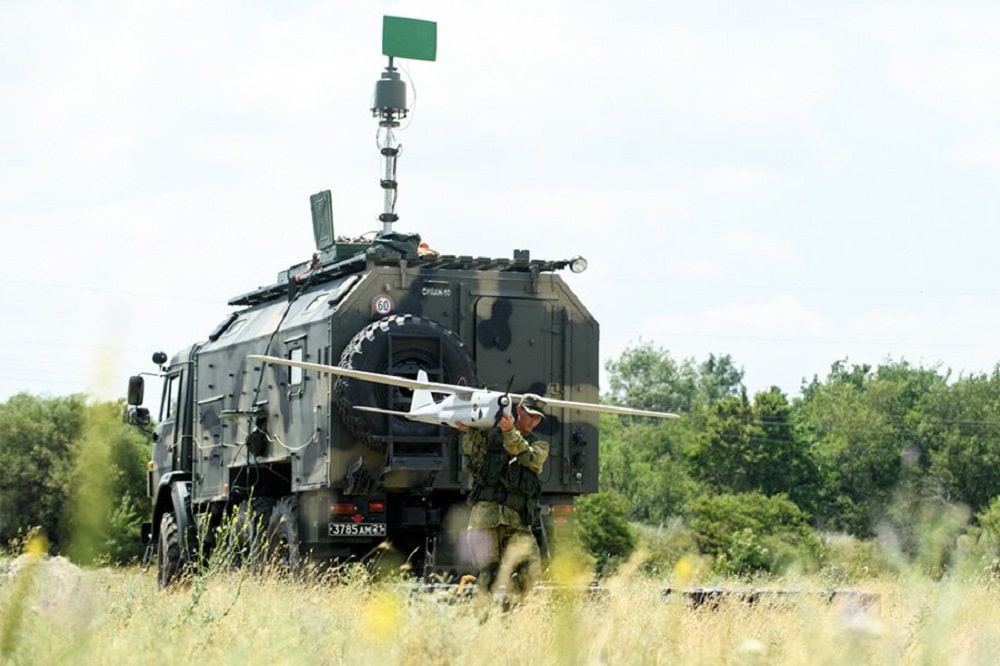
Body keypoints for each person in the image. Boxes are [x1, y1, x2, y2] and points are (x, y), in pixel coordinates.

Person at [454, 395, 549, 609]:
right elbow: (473, 464)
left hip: (516, 519)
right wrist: (471, 433)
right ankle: (483, 621)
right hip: (486, 517)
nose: (534, 421)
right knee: (489, 573)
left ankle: (508, 610)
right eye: (530, 415)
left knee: (530, 570)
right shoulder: (490, 437)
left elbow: (530, 459)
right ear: (519, 410)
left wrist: (509, 432)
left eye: (538, 418)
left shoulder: (539, 445)